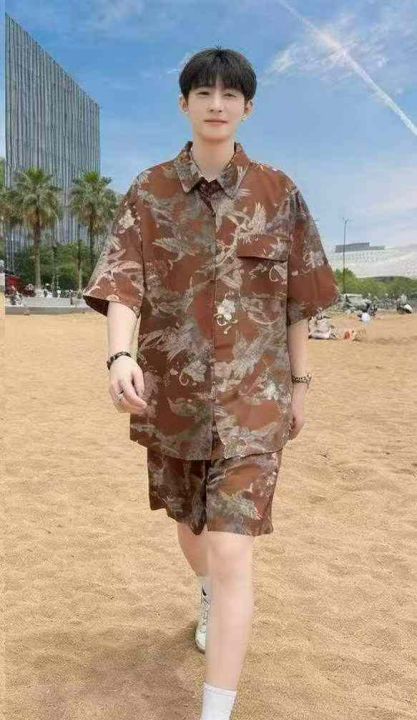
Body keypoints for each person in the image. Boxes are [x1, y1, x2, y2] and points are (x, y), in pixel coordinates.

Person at [82, 47, 340, 720]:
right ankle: (205, 591)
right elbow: (123, 283)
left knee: (231, 551)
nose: (217, 103)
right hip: (173, 398)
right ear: (184, 104)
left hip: (255, 401)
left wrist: (301, 384)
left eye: (230, 94)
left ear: (247, 108)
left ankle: (214, 710)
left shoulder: (278, 193)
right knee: (190, 525)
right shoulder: (149, 191)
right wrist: (119, 355)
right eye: (204, 92)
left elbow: (299, 300)